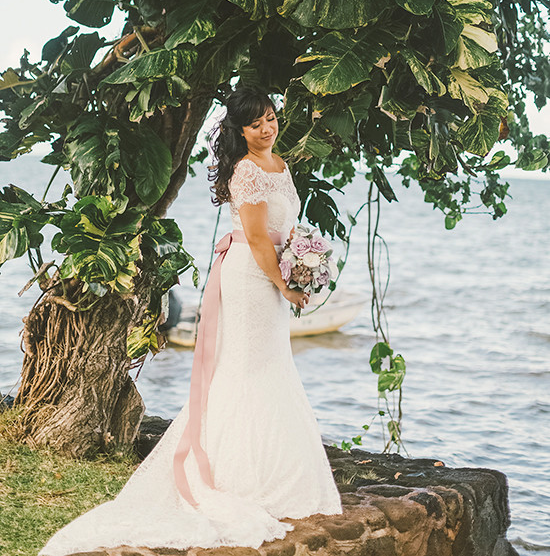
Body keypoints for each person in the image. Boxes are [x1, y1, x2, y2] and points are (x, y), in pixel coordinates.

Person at [38, 87, 342, 556]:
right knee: (243, 370)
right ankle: (230, 475)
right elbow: (260, 240)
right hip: (251, 277)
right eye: (256, 123)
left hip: (271, 275)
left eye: (270, 118)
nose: (267, 128)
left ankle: (273, 471)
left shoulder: (279, 163)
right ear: (240, 132)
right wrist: (284, 283)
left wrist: (304, 260)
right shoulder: (246, 172)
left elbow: (282, 233)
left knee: (272, 367)